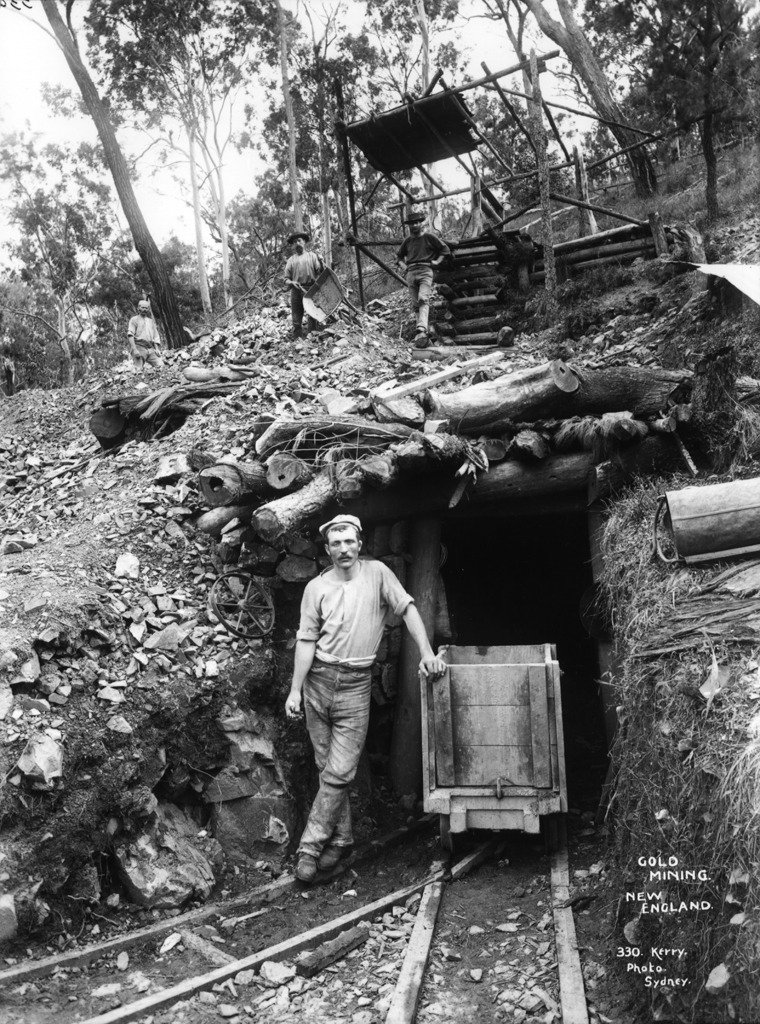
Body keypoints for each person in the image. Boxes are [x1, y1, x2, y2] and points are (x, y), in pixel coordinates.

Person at [285, 514, 447, 883]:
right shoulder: (316, 588)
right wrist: (295, 689)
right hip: (317, 681)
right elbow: (306, 641)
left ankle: (310, 846)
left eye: (349, 542)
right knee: (328, 768)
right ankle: (341, 840)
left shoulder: (377, 574)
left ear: (360, 544)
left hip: (356, 684)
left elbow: (407, 608)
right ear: (328, 550)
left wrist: (426, 653)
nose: (344, 549)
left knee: (341, 771)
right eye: (336, 543)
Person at [395, 211, 450, 346]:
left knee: (423, 298)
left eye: (417, 222)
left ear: (421, 223)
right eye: (411, 224)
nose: (414, 225)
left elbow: (445, 249)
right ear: (409, 226)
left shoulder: (429, 237)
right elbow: (399, 257)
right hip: (411, 272)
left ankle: (422, 326)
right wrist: (404, 267)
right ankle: (421, 333)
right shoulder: (407, 241)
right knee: (415, 304)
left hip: (425, 271)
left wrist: (437, 261)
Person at [284, 231, 324, 339]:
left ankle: (312, 338)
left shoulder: (312, 256)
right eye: (294, 242)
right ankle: (297, 340)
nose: (297, 243)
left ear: (304, 242)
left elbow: (321, 272)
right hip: (296, 290)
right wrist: (291, 282)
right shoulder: (291, 260)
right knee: (296, 317)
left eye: (299, 240)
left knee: (312, 315)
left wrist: (321, 261)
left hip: (310, 289)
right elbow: (286, 279)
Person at [127, 299, 163, 370]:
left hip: (150, 348)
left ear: (148, 309)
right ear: (138, 308)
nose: (144, 310)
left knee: (161, 365)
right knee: (138, 369)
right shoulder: (134, 320)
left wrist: (157, 349)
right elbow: (130, 335)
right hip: (139, 347)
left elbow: (155, 336)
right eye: (142, 307)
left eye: (146, 308)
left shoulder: (150, 321)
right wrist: (134, 349)